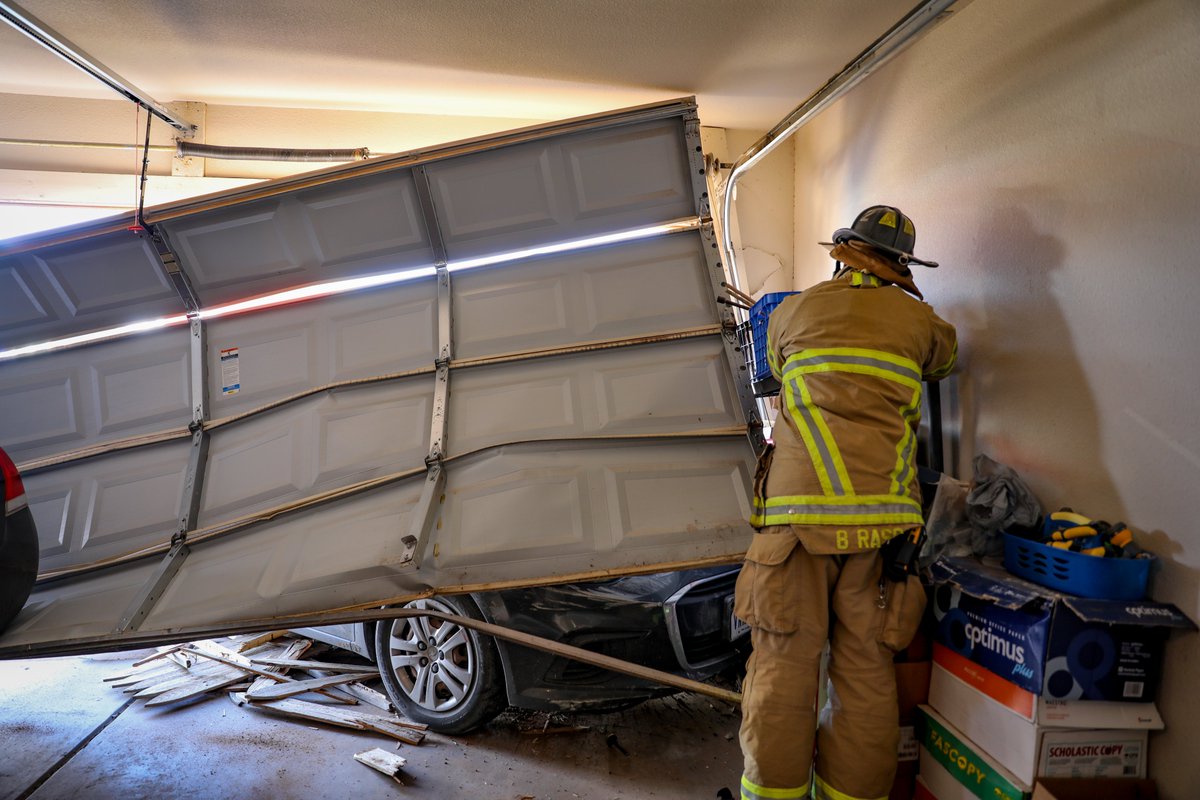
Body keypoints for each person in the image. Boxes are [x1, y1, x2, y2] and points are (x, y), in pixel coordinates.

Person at [733, 205, 957, 800]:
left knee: (783, 666)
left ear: (842, 252)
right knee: (865, 672)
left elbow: (775, 370)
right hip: (884, 534)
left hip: (794, 525)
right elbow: (946, 360)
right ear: (901, 266)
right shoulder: (923, 323)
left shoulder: (792, 313)